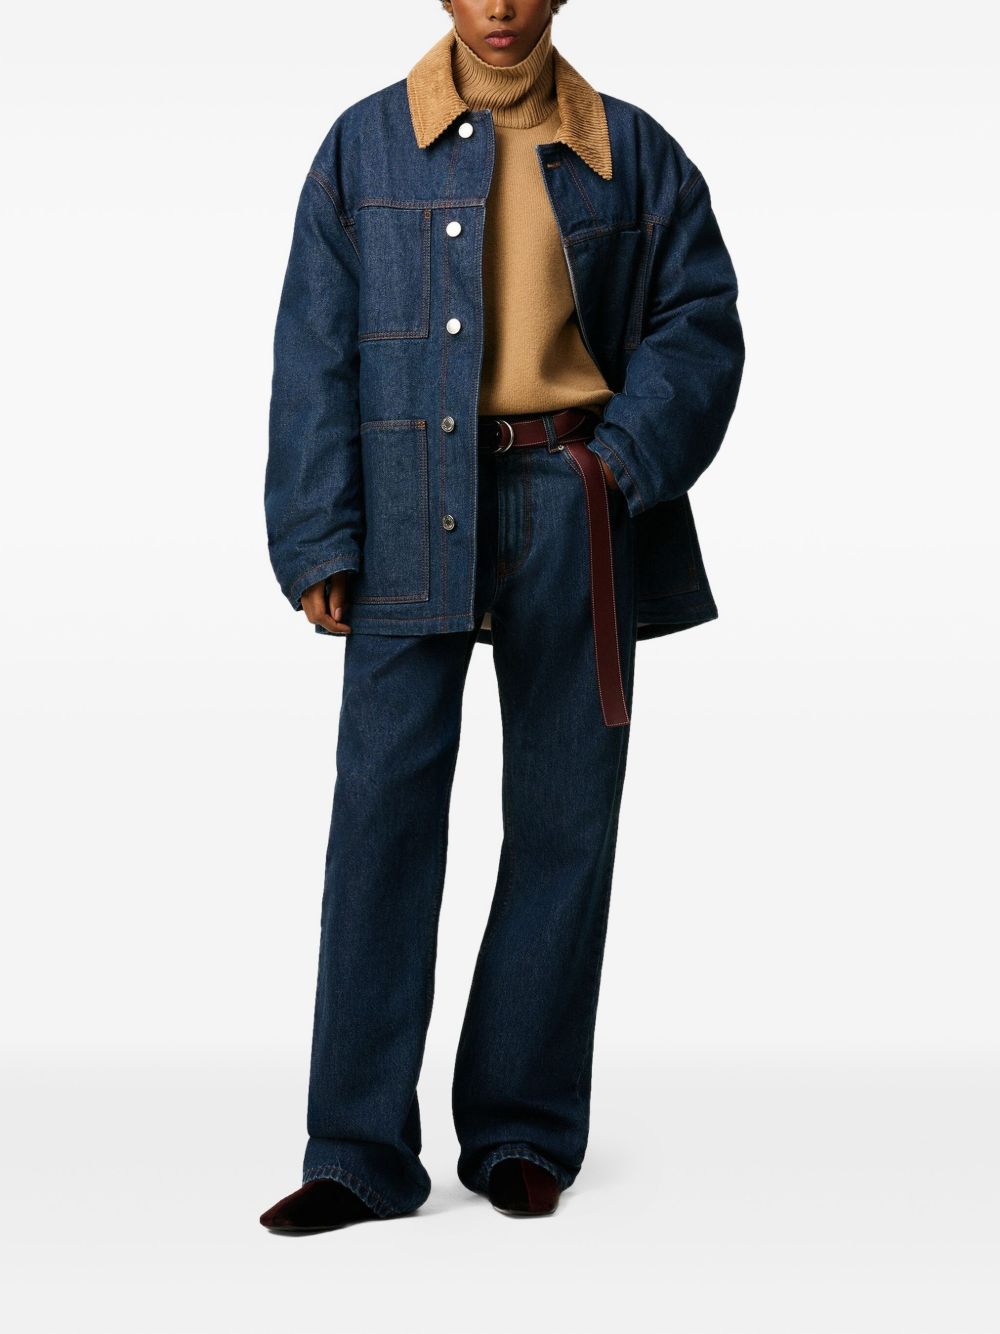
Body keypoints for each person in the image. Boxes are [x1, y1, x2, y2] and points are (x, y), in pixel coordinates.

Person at [260, 0, 744, 1232]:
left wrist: (619, 465)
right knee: (381, 816)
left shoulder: (631, 151)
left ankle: (521, 1128)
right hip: (402, 503)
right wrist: (318, 532)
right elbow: (314, 351)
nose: (499, 7)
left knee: (564, 818)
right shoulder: (362, 147)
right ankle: (357, 1149)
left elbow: (700, 321)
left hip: (569, 499)